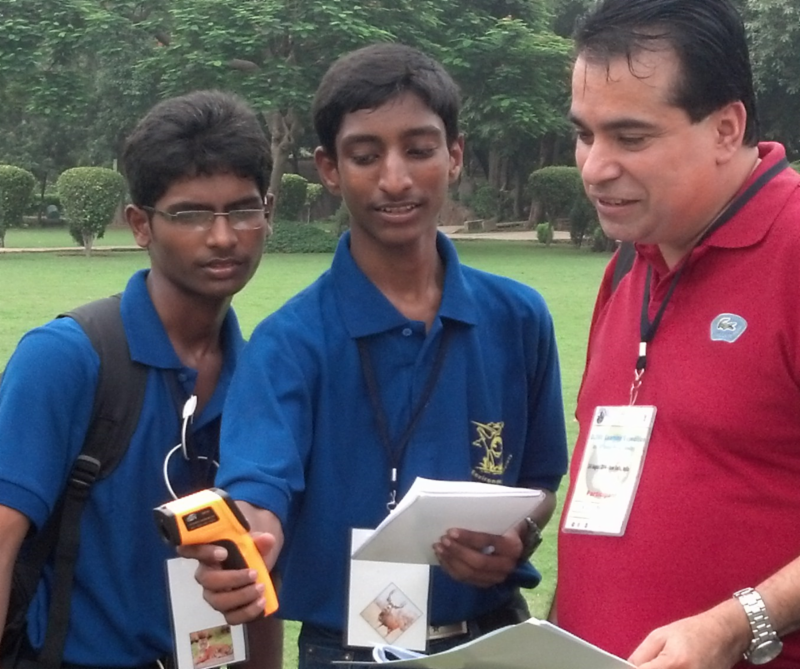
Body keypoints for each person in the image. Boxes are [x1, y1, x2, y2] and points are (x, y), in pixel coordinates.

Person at [186, 43, 568, 668]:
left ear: (455, 155)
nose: (395, 178)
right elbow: (259, 487)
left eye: (419, 149)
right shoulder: (291, 339)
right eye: (365, 156)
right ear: (329, 168)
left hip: (499, 640)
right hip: (348, 650)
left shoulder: (517, 319)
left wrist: (517, 534)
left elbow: (537, 482)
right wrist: (253, 536)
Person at [555, 0, 800, 667]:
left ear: (726, 128)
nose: (594, 166)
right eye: (585, 134)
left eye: (630, 138)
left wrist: (736, 622)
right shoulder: (629, 265)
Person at [0, 90, 281, 669]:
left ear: (268, 212)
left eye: (242, 210)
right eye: (191, 214)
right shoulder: (68, 359)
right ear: (139, 224)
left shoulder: (265, 379)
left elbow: (259, 581)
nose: (224, 237)